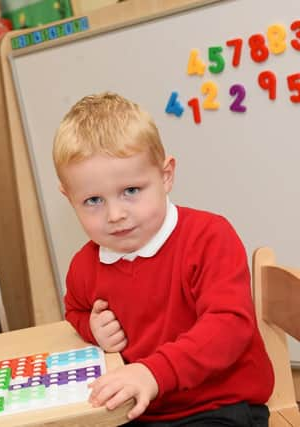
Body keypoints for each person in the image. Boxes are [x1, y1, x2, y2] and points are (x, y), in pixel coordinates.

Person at [52, 92, 273, 426]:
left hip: (219, 404)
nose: (115, 215)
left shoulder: (209, 237)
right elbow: (75, 309)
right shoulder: (85, 265)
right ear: (69, 198)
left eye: (131, 191)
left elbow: (229, 325)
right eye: (93, 200)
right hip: (139, 410)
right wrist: (92, 328)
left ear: (166, 175)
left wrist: (153, 372)